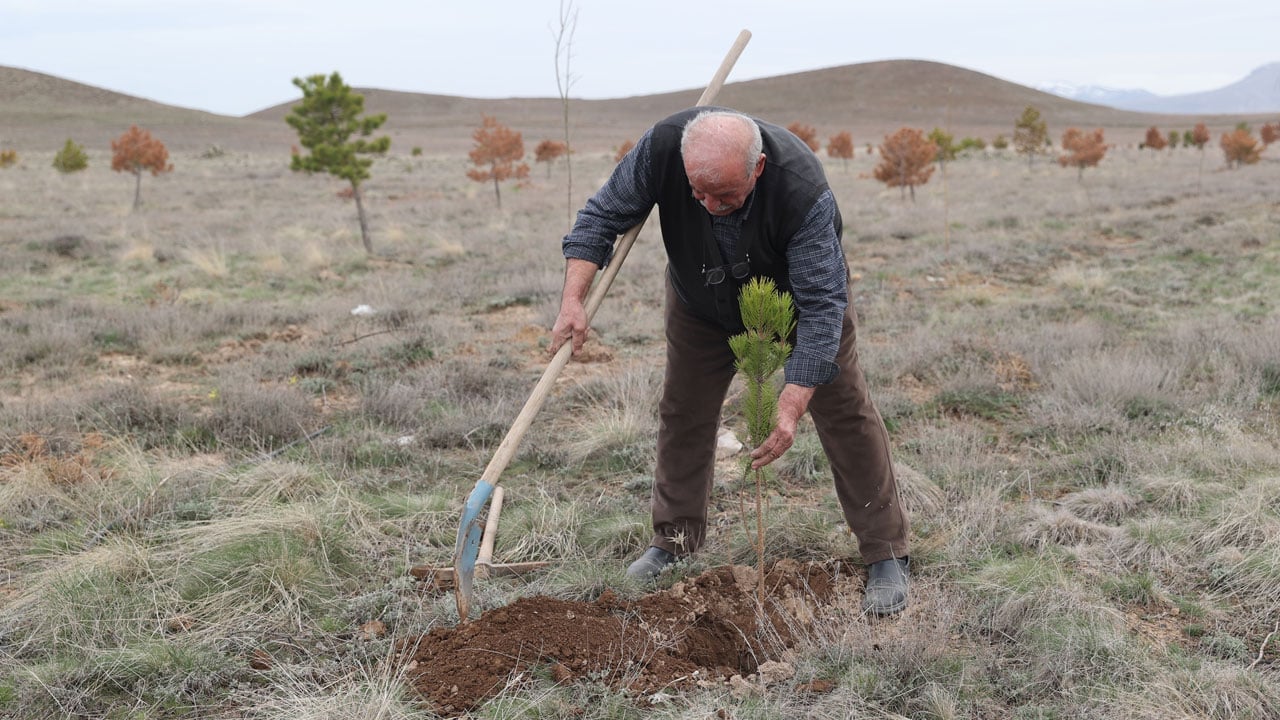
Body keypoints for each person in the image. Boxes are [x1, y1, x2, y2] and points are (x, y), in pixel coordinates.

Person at [550, 108, 911, 615]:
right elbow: (600, 218)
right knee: (684, 412)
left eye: (726, 195)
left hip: (795, 305)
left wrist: (792, 397)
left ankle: (885, 552)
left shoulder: (800, 189)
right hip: (700, 302)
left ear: (758, 168)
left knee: (845, 411)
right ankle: (673, 540)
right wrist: (573, 300)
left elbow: (824, 304)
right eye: (699, 193)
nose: (709, 205)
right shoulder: (661, 150)